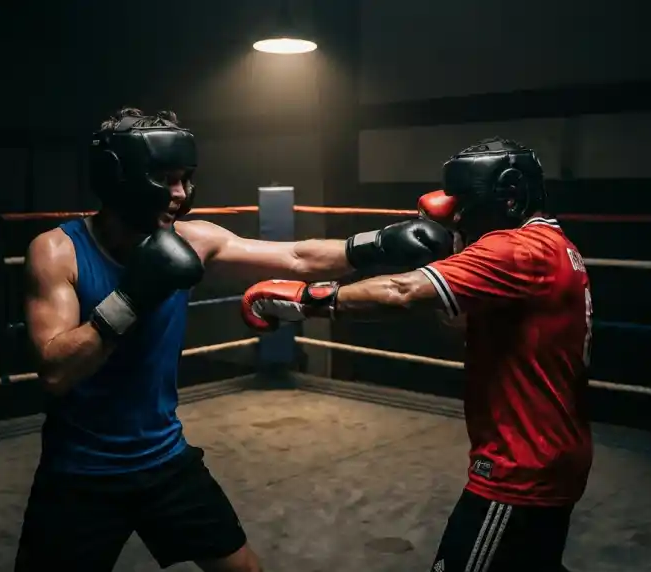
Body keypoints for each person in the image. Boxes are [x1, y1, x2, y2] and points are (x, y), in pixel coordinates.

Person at [16, 107, 454, 572]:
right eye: (166, 179)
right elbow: (56, 370)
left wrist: (377, 245)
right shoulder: (57, 251)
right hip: (80, 473)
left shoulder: (194, 239)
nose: (180, 195)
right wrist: (132, 296)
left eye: (186, 179)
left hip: (164, 459)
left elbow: (298, 257)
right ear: (118, 178)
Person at [240, 137, 593, 572]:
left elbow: (400, 291)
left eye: (465, 204)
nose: (458, 214)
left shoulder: (516, 250)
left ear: (507, 194)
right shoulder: (554, 246)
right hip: (553, 451)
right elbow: (458, 325)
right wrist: (456, 252)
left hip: (520, 467)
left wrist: (302, 299)